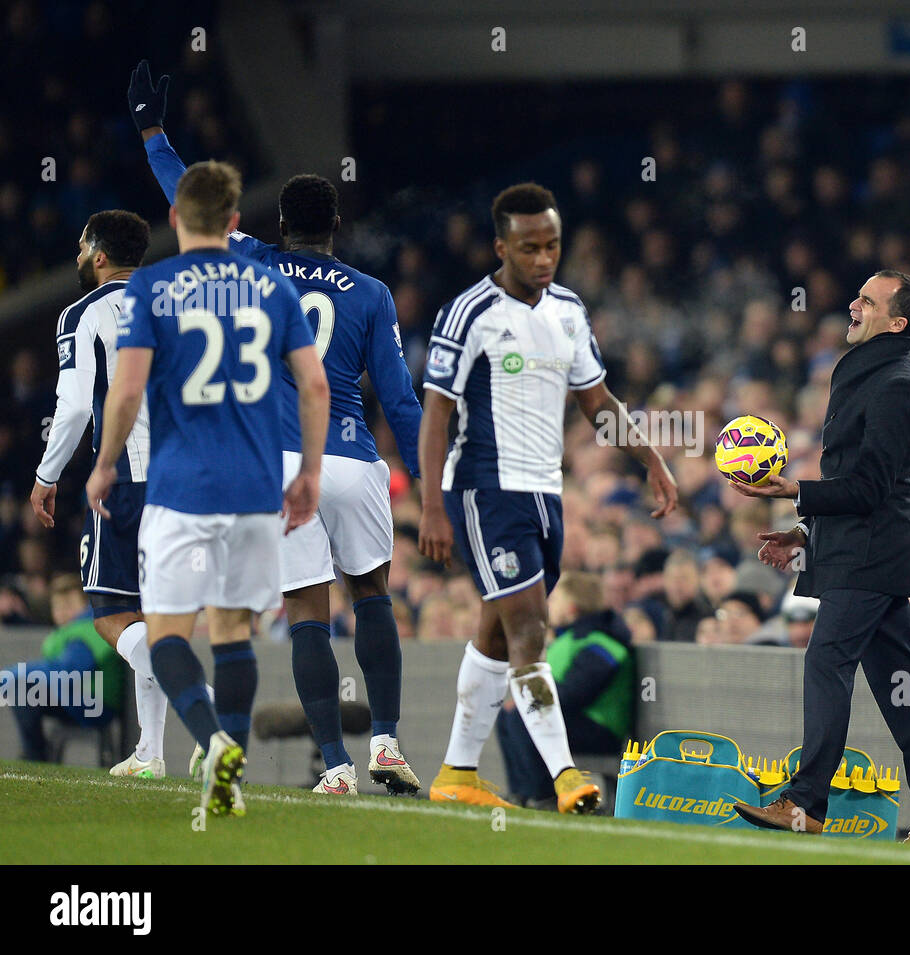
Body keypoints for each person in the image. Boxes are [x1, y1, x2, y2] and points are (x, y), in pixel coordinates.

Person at [129, 61, 425, 796]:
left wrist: (152, 131)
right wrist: (431, 487)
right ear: (335, 228)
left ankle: (334, 764)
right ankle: (387, 737)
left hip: (285, 465)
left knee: (307, 615)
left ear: (279, 225)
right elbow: (400, 398)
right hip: (355, 460)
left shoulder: (255, 266)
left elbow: (186, 196)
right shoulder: (372, 291)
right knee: (374, 594)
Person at [416, 182, 677, 813]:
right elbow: (435, 417)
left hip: (545, 494)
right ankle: (566, 778)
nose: (543, 258)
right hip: (484, 490)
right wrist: (430, 506)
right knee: (530, 627)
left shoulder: (567, 310)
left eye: (552, 245)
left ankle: (456, 772)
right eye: (529, 247)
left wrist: (651, 458)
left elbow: (597, 403)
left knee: (498, 636)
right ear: (500, 246)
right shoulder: (469, 312)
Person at [85, 159, 330, 816]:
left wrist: (106, 460)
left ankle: (215, 741)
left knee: (166, 636)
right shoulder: (272, 286)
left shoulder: (154, 288)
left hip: (181, 488)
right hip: (254, 490)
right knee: (232, 633)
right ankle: (232, 769)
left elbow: (129, 388)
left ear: (173, 219)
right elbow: (315, 385)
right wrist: (308, 471)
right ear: (233, 221)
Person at [726, 269, 910, 843]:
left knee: (825, 661)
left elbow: (868, 488)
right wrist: (806, 532)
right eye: (856, 295)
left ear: (897, 321)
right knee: (902, 687)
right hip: (860, 550)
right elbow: (857, 485)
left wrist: (790, 490)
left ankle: (806, 801)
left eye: (867, 300)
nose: (852, 305)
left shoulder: (897, 387)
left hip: (871, 557)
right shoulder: (867, 374)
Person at [28, 209, 174, 778]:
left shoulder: (83, 313)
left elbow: (71, 407)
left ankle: (194, 693)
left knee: (112, 613)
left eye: (82, 246)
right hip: (189, 478)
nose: (78, 255)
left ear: (100, 255)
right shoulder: (180, 302)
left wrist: (46, 476)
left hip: (125, 478)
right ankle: (152, 751)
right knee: (156, 613)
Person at [495, 572, 633, 805]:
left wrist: (531, 701)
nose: (548, 605)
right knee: (508, 716)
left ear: (572, 607)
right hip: (571, 719)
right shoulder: (567, 640)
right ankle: (521, 792)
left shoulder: (602, 644)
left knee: (521, 717)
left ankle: (544, 795)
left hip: (599, 730)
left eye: (555, 598)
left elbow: (577, 692)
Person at [3, 574, 124, 762]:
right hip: (77, 698)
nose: (63, 611)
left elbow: (69, 671)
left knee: (20, 687)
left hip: (94, 703)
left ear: (85, 605)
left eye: (69, 605)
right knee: (21, 690)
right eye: (58, 606)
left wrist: (18, 673)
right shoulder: (70, 631)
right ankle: (34, 753)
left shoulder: (88, 629)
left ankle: (35, 756)